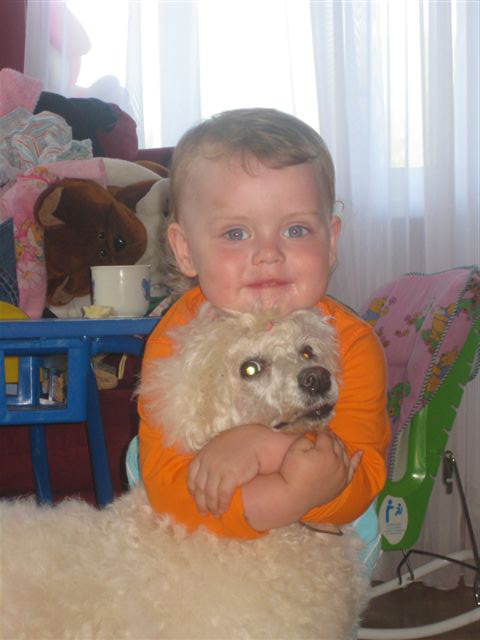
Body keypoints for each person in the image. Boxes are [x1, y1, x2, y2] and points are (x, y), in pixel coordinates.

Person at [137, 107, 390, 540]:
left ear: (331, 242)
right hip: (202, 551)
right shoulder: (176, 342)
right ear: (185, 250)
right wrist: (288, 486)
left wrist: (266, 450)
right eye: (236, 233)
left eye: (296, 230)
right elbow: (168, 490)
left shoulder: (353, 345)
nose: (269, 253)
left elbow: (360, 479)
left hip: (323, 544)